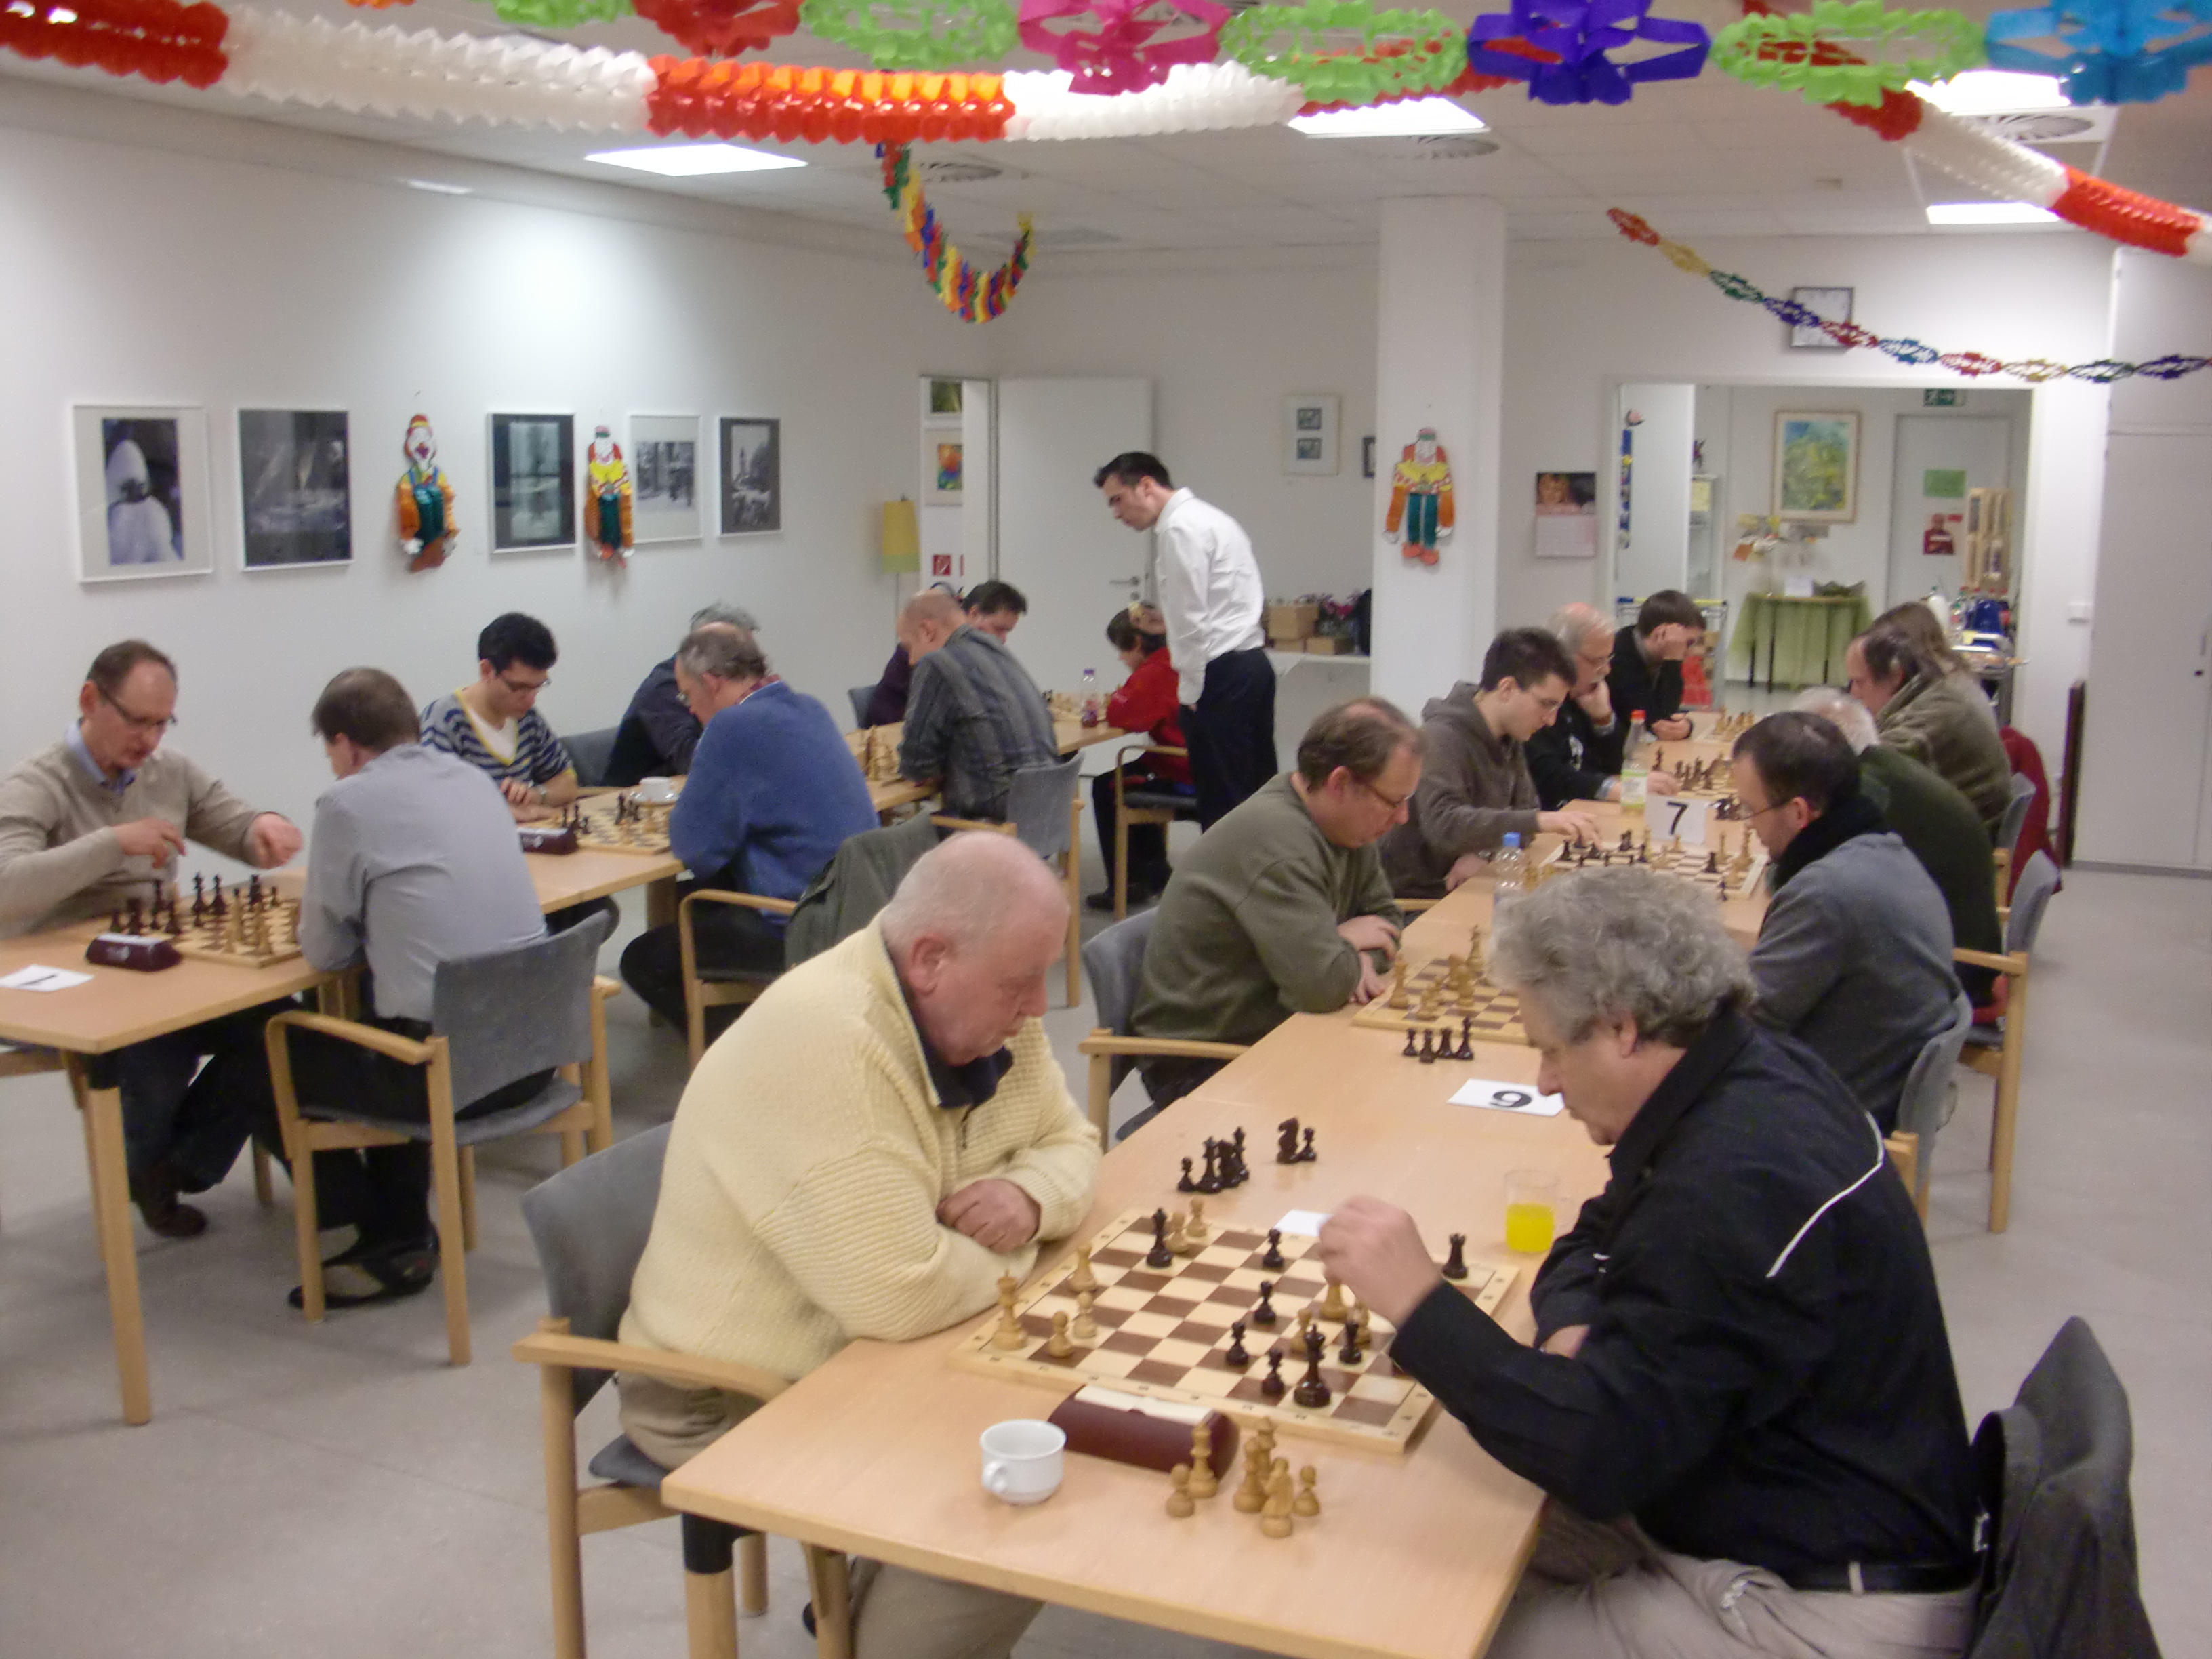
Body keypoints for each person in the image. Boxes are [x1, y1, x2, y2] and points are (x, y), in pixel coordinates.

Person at [1317, 867, 1980, 1659]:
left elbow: (1599, 1460)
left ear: (1623, 1029)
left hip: (1819, 1604)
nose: (1545, 1083)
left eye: (1553, 1051)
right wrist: (1573, 1323)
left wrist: (1422, 1305)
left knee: (1405, 1630)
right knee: (1425, 1528)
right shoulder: (1745, 1075)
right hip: (1751, 1499)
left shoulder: (1730, 1185)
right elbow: (1592, 1237)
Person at [617, 832, 1101, 1659]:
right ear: (930, 959)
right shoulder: (830, 1040)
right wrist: (1019, 1253)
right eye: (1020, 983)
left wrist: (1027, 1197)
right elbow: (901, 1293)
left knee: (1077, 1412)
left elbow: (1076, 1142)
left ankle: (875, 1605)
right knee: (1024, 1476)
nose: (1037, 1008)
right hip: (727, 1390)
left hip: (864, 1348)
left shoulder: (983, 1016)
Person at [264, 668, 551, 1305]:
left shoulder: (346, 804)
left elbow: (325, 951)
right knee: (387, 1020)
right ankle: (396, 1224)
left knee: (262, 1058)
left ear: (346, 745)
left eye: (330, 752)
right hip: (536, 1051)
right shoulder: (473, 781)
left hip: (450, 1074)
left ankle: (391, 1234)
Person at [0, 640, 302, 1236]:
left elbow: (235, 825)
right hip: (70, 977)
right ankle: (149, 1166)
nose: (149, 740)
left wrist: (264, 827)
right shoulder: (37, 782)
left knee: (279, 1028)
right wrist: (113, 844)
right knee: (156, 1045)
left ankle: (175, 1166)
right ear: (90, 700)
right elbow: (7, 885)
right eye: (137, 721)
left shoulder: (170, 771)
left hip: (156, 960)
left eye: (162, 723)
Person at [1128, 699, 1412, 1116]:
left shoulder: (1345, 827)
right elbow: (1322, 988)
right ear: (1340, 783)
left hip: (1276, 1027)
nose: (1403, 817)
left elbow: (1387, 922)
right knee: (1380, 1109)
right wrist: (1339, 948)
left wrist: (1341, 953)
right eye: (1394, 801)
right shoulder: (1280, 844)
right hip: (1202, 1059)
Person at [618, 626, 880, 1031]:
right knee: (695, 904)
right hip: (859, 907)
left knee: (641, 960)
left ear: (711, 682)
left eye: (687, 696)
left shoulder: (730, 727)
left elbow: (696, 849)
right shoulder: (810, 706)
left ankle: (740, 1051)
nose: (689, 710)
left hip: (798, 923)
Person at [1732, 712, 1959, 1130]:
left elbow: (1743, 1021)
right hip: (1876, 1080)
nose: (1749, 825)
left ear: (1798, 813)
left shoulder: (1825, 894)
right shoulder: (1883, 848)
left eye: (1751, 809)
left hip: (1835, 1116)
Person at [1096, 452, 1274, 829]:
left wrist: (1190, 691)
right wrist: (1167, 623)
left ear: (1146, 486)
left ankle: (1227, 870)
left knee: (1224, 803)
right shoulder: (1213, 518)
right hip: (1251, 664)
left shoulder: (1178, 528)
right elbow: (1217, 603)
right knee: (1254, 792)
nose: (1115, 513)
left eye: (1118, 500)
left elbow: (1192, 621)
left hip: (1220, 673)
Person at [1795, 687, 2001, 1008]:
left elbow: (1805, 876)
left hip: (1951, 970)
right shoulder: (1887, 767)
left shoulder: (1868, 792)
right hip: (1953, 942)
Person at [1378, 628, 1601, 899]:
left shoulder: (1509, 734)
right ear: (1507, 688)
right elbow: (1444, 824)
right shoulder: (1440, 737)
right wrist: (1539, 821)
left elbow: (1525, 814)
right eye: (1546, 704)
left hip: (1468, 887)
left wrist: (1484, 852)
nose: (1551, 720)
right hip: (1419, 900)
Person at [1845, 605, 2011, 836]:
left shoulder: (1935, 713)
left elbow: (1866, 774)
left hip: (1963, 844)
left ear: (1894, 674)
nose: (1853, 694)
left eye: (1859, 682)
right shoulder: (1937, 690)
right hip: (1972, 831)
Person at [896, 589, 1058, 821]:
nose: (911, 660)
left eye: (909, 647)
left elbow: (916, 764)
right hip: (1044, 811)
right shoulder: (997, 650)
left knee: (887, 839)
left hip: (992, 820)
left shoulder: (936, 663)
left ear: (927, 630)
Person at [419, 612, 580, 821]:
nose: (531, 700)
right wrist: (505, 812)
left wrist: (534, 796)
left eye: (538, 687)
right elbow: (432, 802)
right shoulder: (445, 720)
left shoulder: (528, 719)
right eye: (519, 688)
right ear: (487, 671)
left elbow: (567, 783)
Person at [1086, 607, 1194, 912]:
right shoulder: (1179, 658)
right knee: (1131, 775)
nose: (1121, 658)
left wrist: (1121, 697)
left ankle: (1129, 884)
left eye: (1121, 650)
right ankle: (1151, 871)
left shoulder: (1155, 671)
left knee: (1108, 786)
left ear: (1135, 643)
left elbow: (1125, 716)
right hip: (1197, 762)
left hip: (1182, 769)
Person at [1525, 603, 1682, 810]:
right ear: (1561, 655)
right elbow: (1547, 776)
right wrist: (1618, 789)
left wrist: (1604, 720)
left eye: (1608, 659)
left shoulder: (1586, 694)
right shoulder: (1536, 697)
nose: (1606, 670)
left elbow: (1617, 765)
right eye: (1598, 661)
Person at [602, 602, 760, 786]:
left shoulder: (730, 682)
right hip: (634, 797)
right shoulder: (664, 687)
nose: (747, 662)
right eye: (740, 651)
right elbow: (693, 761)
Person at [862, 581, 1028, 729]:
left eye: (1007, 631)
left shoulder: (970, 648)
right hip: (894, 731)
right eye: (999, 629)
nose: (1003, 639)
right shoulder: (932, 642)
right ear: (974, 614)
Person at [1607, 590, 1705, 742]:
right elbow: (1657, 723)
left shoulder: (1653, 655)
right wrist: (1673, 661)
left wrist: (1687, 726)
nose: (1690, 651)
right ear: (1662, 633)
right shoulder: (1619, 658)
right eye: (1688, 643)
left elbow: (1670, 717)